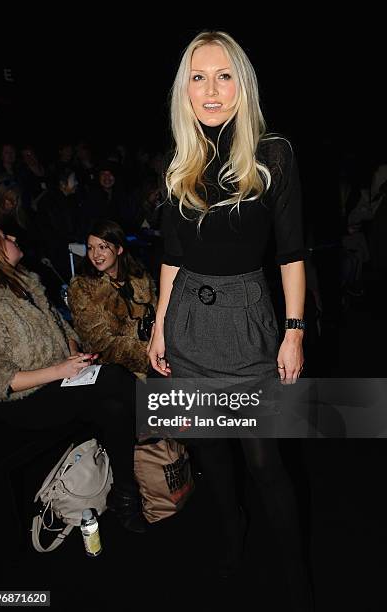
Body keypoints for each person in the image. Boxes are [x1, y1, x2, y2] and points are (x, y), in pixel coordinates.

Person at [147, 31, 313, 608]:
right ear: (184, 91)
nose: (211, 89)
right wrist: (158, 325)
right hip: (189, 320)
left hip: (247, 322)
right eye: (199, 76)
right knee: (210, 450)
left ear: (242, 87)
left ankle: (296, 577)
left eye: (224, 76)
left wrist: (294, 331)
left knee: (264, 459)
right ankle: (232, 537)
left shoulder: (273, 153)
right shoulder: (178, 163)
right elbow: (171, 255)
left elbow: (292, 253)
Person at [0, 224, 146, 532]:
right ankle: (172, 419)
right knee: (112, 377)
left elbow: (63, 327)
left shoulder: (26, 283)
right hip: (26, 402)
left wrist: (74, 355)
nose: (14, 237)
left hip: (61, 384)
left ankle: (124, 497)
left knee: (115, 410)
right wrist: (61, 370)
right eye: (5, 238)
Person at [67, 219, 157, 380]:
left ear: (119, 249)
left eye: (102, 247)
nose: (95, 255)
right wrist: (150, 355)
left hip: (153, 355)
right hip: (115, 368)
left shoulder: (139, 277)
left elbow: (158, 318)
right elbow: (101, 345)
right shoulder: (82, 288)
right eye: (90, 248)